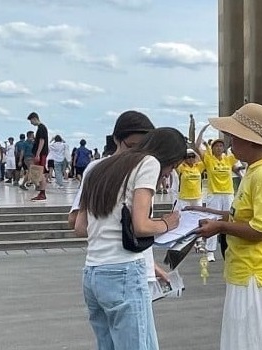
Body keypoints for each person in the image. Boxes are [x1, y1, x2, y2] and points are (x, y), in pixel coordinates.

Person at [191, 103, 262, 350]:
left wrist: (221, 227)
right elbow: (243, 215)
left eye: (234, 136)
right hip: (250, 273)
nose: (230, 141)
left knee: (258, 341)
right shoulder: (255, 172)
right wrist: (211, 215)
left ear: (252, 141)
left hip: (261, 277)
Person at [75, 128, 186, 350]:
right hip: (123, 272)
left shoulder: (99, 167)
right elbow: (141, 226)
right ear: (167, 155)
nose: (168, 173)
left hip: (93, 272)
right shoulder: (149, 163)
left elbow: (80, 226)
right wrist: (167, 224)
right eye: (173, 166)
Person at [194, 124, 239, 262]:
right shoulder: (209, 159)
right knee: (213, 221)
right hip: (214, 194)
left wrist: (232, 133)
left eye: (221, 146)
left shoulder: (228, 159)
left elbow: (237, 149)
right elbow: (197, 145)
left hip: (228, 194)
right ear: (212, 148)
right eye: (216, 146)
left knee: (231, 221)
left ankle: (231, 249)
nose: (219, 148)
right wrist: (202, 130)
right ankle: (210, 251)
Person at [27, 112, 49, 201]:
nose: (31, 123)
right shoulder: (40, 128)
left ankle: (42, 193)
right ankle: (41, 192)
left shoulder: (41, 128)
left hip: (41, 153)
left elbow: (42, 141)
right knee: (40, 172)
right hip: (41, 153)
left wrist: (38, 154)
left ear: (34, 118)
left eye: (31, 121)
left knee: (41, 173)